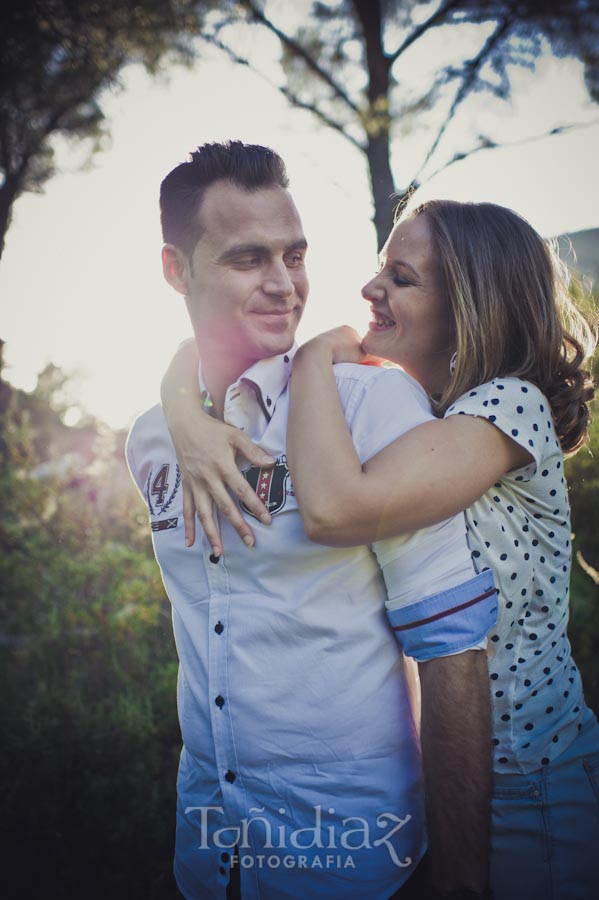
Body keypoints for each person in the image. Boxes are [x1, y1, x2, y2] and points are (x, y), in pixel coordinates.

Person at [163, 197, 599, 900]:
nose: (370, 291)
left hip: (529, 788)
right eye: (378, 270)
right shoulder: (432, 411)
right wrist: (180, 404)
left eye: (400, 277)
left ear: (468, 307)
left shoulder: (507, 408)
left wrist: (310, 363)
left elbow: (336, 510)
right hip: (442, 784)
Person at [127, 141, 499, 900]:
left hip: (358, 861)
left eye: (294, 255)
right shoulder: (151, 439)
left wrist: (462, 883)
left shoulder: (373, 407)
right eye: (246, 259)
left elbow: (452, 650)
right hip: (210, 853)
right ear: (176, 270)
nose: (282, 285)